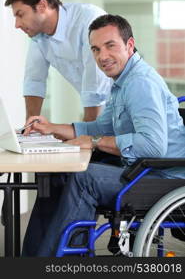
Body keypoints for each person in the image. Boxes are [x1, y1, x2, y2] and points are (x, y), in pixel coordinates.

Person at [22, 14, 185, 256]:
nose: (102, 56)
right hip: (143, 169)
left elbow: (153, 146)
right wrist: (52, 127)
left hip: (163, 178)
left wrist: (96, 143)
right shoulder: (122, 82)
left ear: (129, 45)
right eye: (96, 49)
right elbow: (98, 128)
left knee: (83, 178)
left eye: (110, 46)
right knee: (58, 173)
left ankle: (61, 261)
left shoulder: (140, 83)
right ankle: (34, 258)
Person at [5, 0, 112, 121]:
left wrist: (87, 133)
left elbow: (96, 83)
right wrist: (30, 126)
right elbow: (34, 80)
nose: (17, 25)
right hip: (103, 112)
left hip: (127, 106)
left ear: (42, 6)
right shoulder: (38, 36)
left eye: (20, 14)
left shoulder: (89, 20)